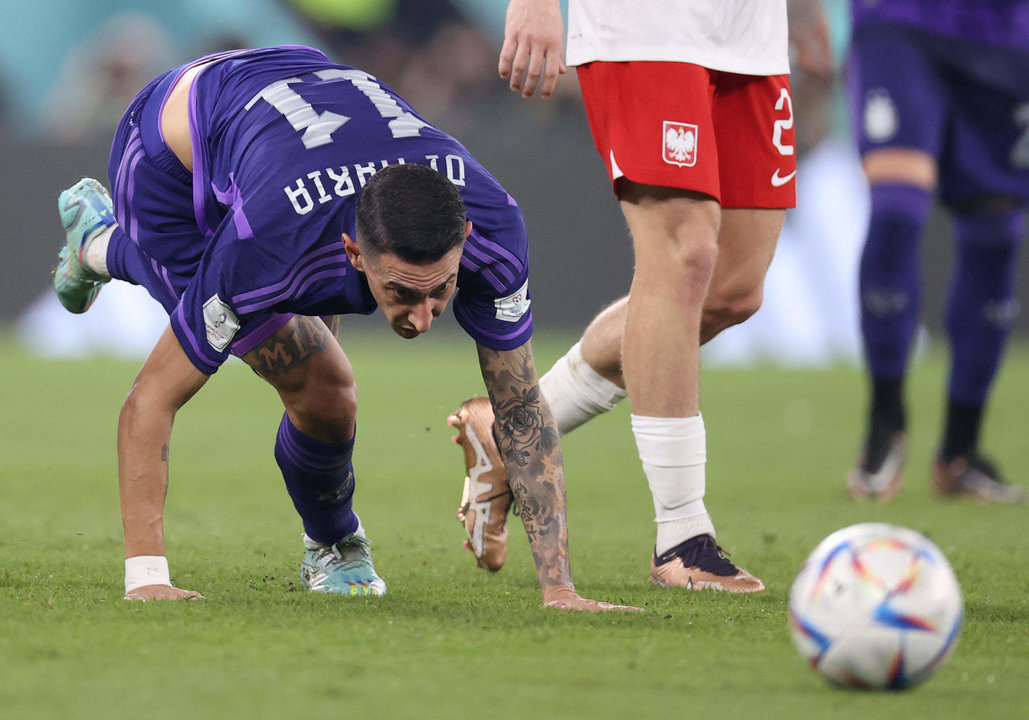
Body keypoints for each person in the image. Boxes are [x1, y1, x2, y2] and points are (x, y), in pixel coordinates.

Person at [51, 45, 638, 611]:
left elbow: (520, 409)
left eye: (441, 292)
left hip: (295, 83)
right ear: (354, 253)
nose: (423, 318)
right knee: (324, 386)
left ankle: (99, 245)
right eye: (401, 293)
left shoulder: (494, 224)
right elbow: (150, 398)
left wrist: (560, 589)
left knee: (320, 377)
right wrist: (147, 578)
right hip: (166, 156)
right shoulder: (267, 244)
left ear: (463, 245)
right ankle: (102, 245)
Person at [448, 0, 833, 588]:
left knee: (734, 290)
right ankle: (682, 536)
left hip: (752, 35)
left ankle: (508, 437)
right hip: (646, 27)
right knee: (685, 254)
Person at [845, 0, 1028, 504]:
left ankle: (961, 450)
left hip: (1007, 35)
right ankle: (885, 428)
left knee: (996, 233)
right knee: (897, 209)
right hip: (902, 19)